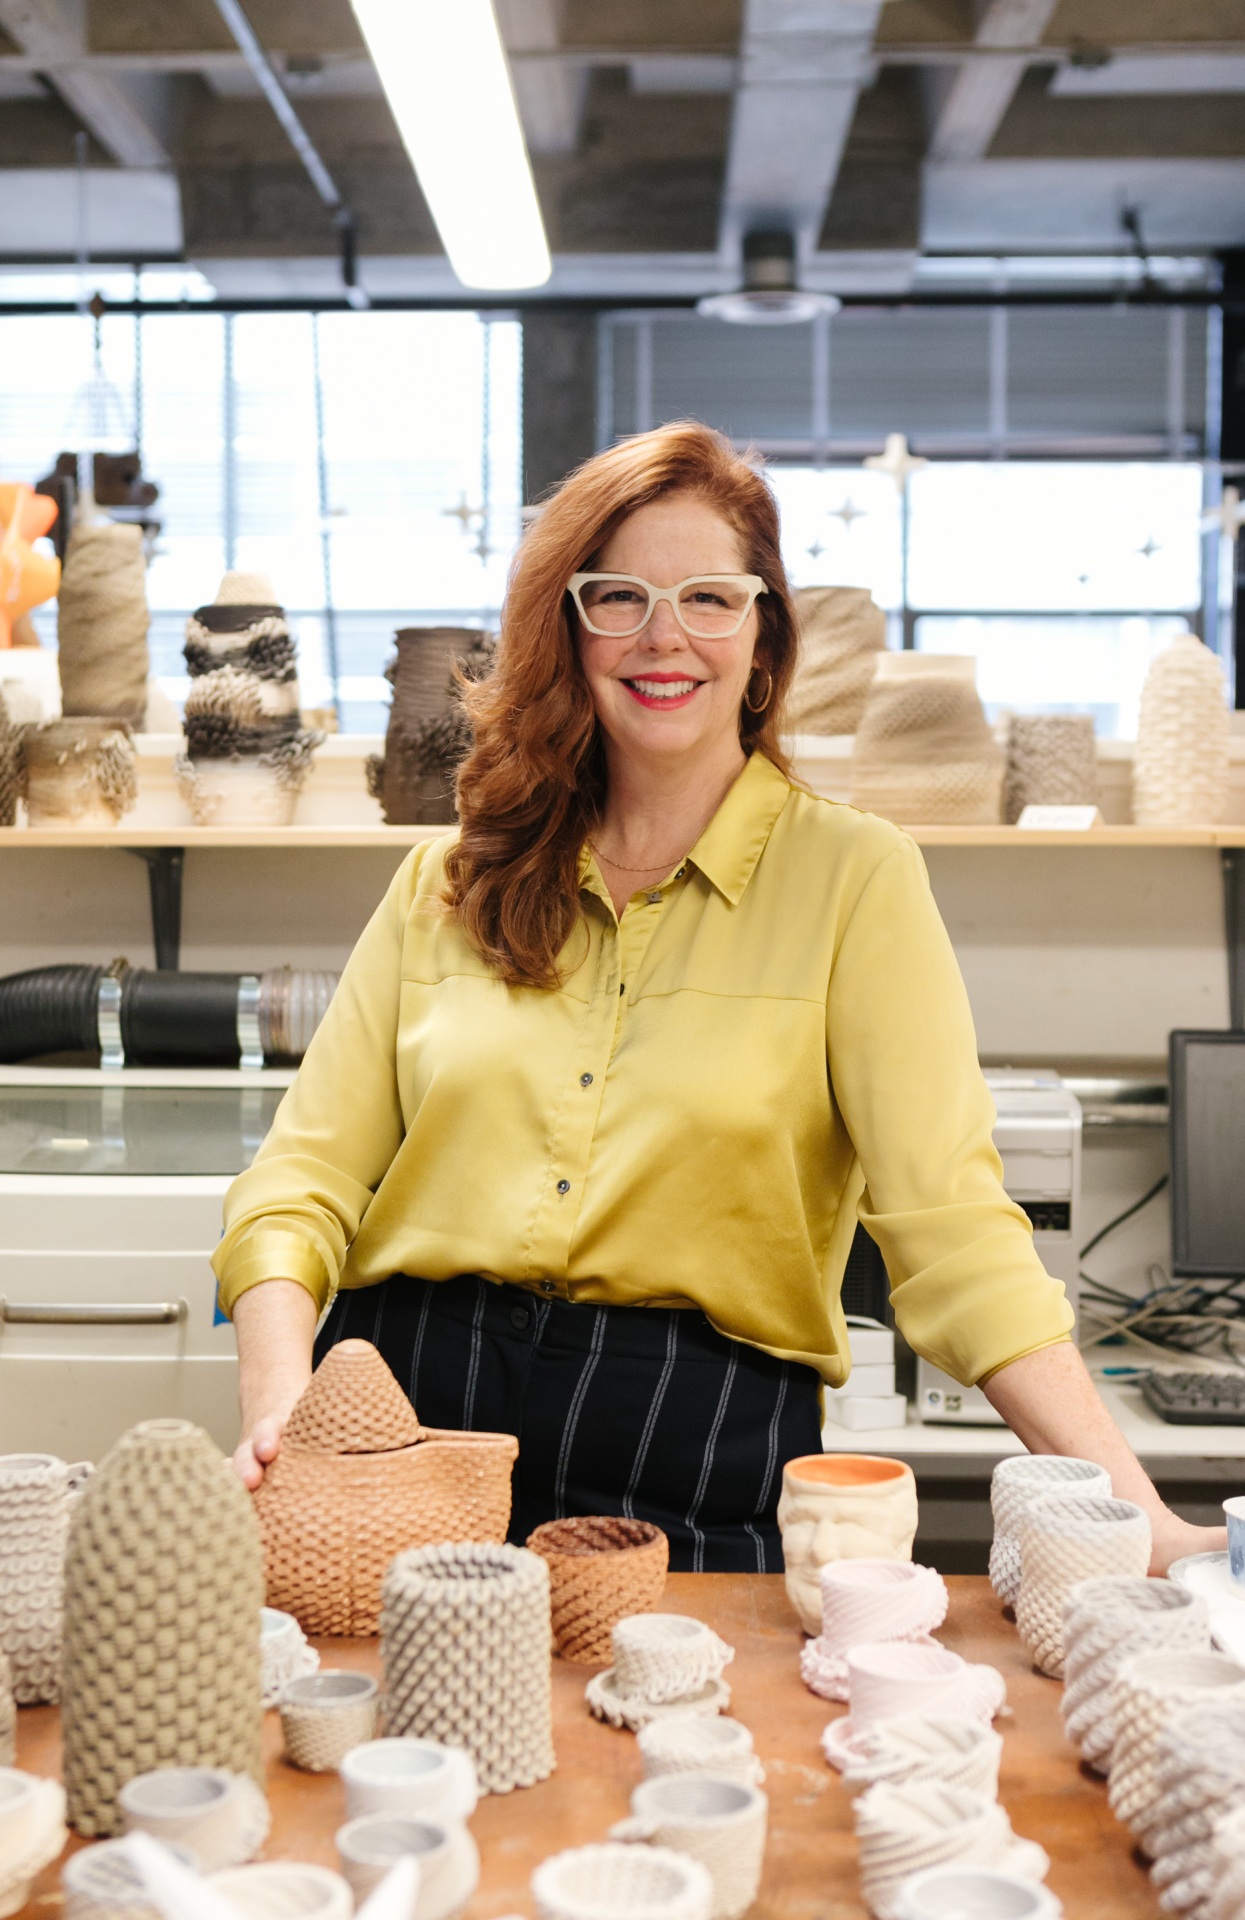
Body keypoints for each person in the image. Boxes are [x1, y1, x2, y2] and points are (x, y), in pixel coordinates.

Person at [216, 421, 1221, 1576]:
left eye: (708, 597)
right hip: (403, 1414)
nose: (664, 638)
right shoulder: (446, 880)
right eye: (618, 597)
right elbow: (301, 1182)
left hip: (691, 1441)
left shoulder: (856, 880)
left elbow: (953, 1236)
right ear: (567, 624)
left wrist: (1142, 1520)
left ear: (762, 632)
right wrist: (281, 1397)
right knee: (395, 1754)